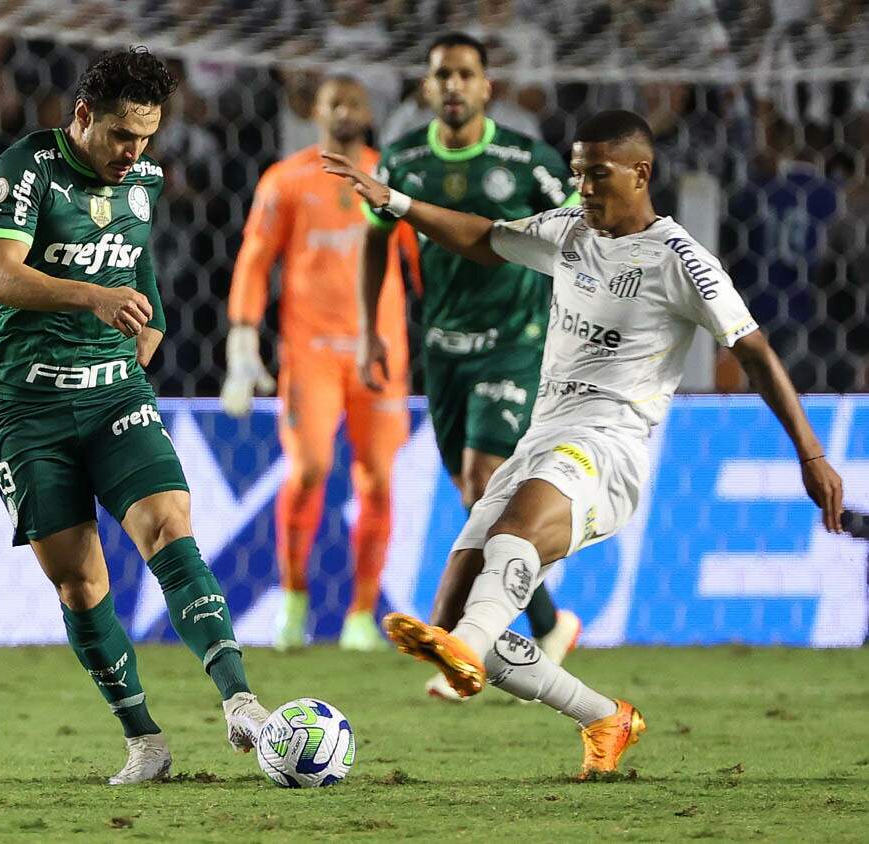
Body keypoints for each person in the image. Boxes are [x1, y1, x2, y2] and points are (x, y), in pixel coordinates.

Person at [323, 109, 845, 778]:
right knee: (450, 614)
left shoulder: (679, 256)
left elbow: (756, 352)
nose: (584, 189)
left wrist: (811, 453)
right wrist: (396, 202)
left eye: (597, 176)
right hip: (543, 437)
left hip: (608, 449)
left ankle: (472, 648)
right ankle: (604, 716)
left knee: (502, 557)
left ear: (640, 174)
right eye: (577, 175)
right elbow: (486, 237)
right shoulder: (571, 231)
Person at [0, 47, 270, 785]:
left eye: (146, 137)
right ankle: (145, 740)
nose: (133, 152)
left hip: (113, 394)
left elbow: (141, 284)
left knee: (170, 523)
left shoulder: (142, 180)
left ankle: (241, 701)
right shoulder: (27, 167)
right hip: (29, 405)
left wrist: (140, 337)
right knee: (79, 583)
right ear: (84, 116)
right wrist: (91, 297)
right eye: (119, 136)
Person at [357, 33, 581, 701]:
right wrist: (373, 329)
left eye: (465, 74)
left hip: (514, 342)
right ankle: (549, 623)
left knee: (487, 480)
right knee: (471, 490)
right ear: (427, 88)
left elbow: (581, 229)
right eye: (441, 75)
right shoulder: (403, 160)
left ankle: (473, 642)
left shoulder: (526, 162)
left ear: (487, 87)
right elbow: (377, 243)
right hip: (442, 348)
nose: (453, 85)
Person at [222, 76, 411, 652]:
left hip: (380, 351)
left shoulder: (391, 178)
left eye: (355, 101)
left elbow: (424, 257)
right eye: (335, 101)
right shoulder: (286, 181)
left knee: (377, 478)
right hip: (310, 353)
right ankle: (294, 598)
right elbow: (256, 259)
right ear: (315, 111)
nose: (345, 110)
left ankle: (360, 614)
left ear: (369, 112)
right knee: (308, 469)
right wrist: (242, 339)